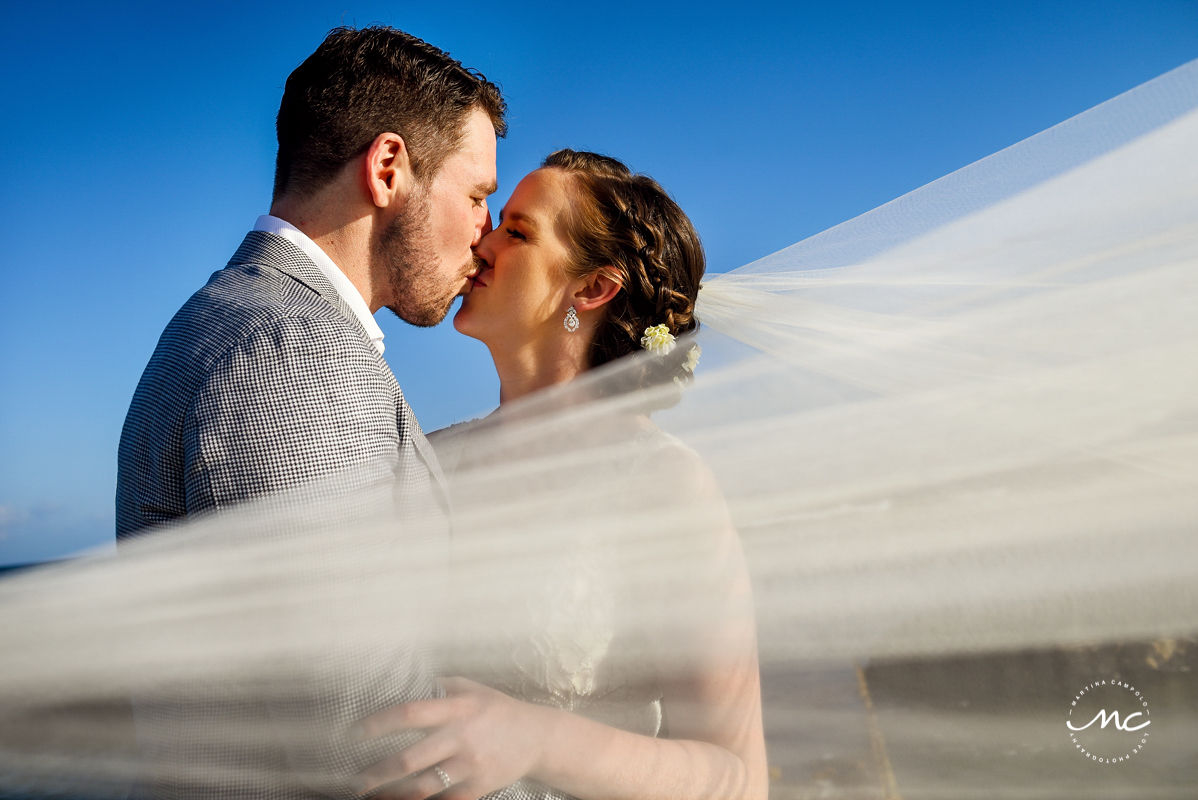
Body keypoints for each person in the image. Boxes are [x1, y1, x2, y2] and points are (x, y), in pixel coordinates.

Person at [113, 26, 566, 800]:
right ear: (389, 168)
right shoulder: (292, 355)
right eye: (477, 194)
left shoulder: (248, 323)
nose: (485, 231)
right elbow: (373, 741)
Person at [354, 151, 769, 800]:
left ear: (592, 289)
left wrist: (535, 738)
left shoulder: (665, 488)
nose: (481, 241)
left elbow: (739, 779)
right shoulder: (427, 459)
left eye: (517, 232)